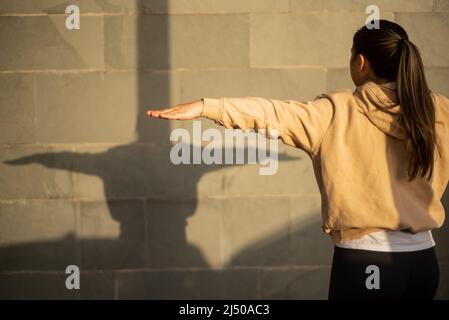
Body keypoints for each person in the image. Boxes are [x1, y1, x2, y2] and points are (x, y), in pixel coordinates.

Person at [146, 20, 448, 300]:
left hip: (367, 264)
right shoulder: (439, 111)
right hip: (423, 264)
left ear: (361, 62)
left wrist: (205, 107)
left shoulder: (336, 111)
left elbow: (270, 113)